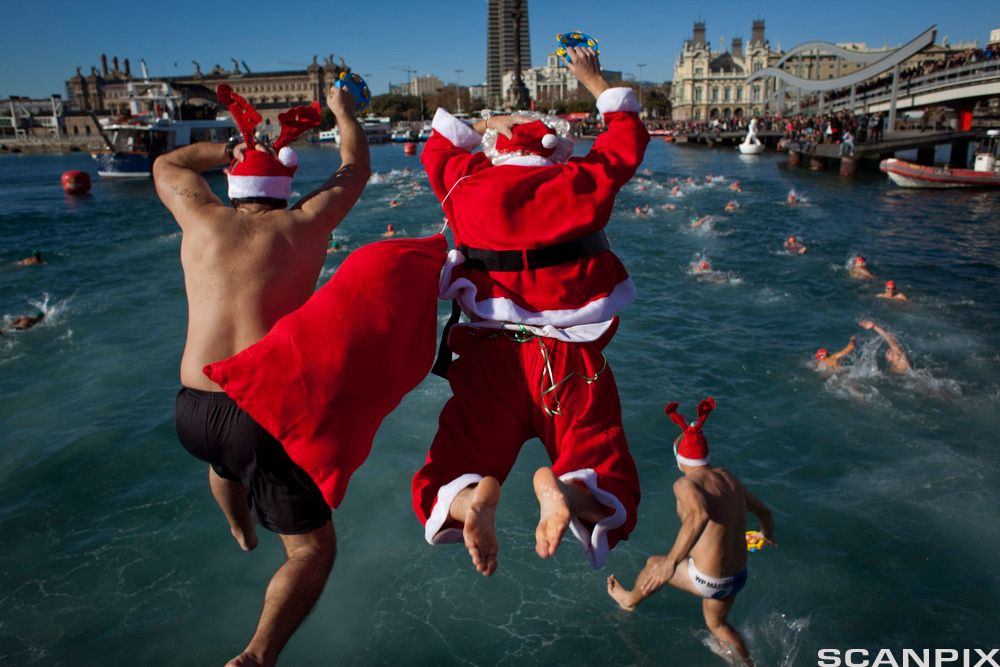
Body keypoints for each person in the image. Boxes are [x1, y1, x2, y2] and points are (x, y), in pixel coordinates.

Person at [154, 82, 369, 667]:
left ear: (232, 186)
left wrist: (231, 149)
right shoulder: (305, 224)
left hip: (192, 409)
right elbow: (355, 167)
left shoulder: (199, 220)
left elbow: (168, 164)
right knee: (311, 552)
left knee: (225, 460)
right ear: (285, 188)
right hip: (254, 411)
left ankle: (242, 529)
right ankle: (255, 657)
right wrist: (343, 113)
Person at [413, 45, 648, 576]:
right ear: (556, 150)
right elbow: (627, 139)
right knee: (599, 455)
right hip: (567, 362)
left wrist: (484, 123)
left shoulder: (466, 185)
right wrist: (592, 78)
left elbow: (439, 147)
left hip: (489, 359)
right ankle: (566, 490)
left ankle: (468, 501)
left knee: (454, 459)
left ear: (496, 151)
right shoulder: (579, 182)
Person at [607, 399, 774, 666]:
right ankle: (747, 664)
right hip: (738, 577)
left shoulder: (685, 484)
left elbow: (699, 515)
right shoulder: (727, 477)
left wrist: (670, 563)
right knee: (717, 624)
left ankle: (628, 601)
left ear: (680, 458)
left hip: (710, 580)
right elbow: (765, 512)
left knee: (654, 564)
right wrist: (765, 535)